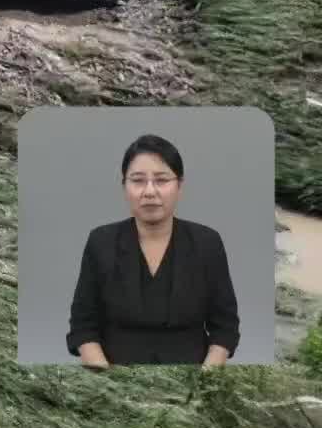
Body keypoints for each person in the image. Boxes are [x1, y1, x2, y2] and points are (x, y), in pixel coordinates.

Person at [68, 134, 238, 368]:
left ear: (179, 185)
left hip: (193, 381)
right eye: (138, 180)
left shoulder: (207, 242)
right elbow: (83, 326)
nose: (149, 191)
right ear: (124, 186)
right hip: (113, 379)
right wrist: (106, 382)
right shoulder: (101, 241)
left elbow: (225, 328)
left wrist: (204, 382)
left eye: (161, 180)